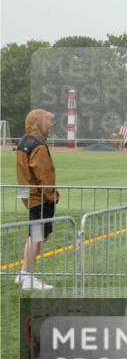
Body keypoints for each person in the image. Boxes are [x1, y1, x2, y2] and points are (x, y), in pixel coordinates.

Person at [16, 109, 58, 291]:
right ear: (39, 122)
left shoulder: (23, 142)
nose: (51, 125)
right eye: (48, 121)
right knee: (37, 236)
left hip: (28, 194)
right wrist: (52, 196)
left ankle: (24, 273)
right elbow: (44, 175)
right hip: (39, 198)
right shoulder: (38, 146)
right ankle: (28, 276)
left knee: (34, 235)